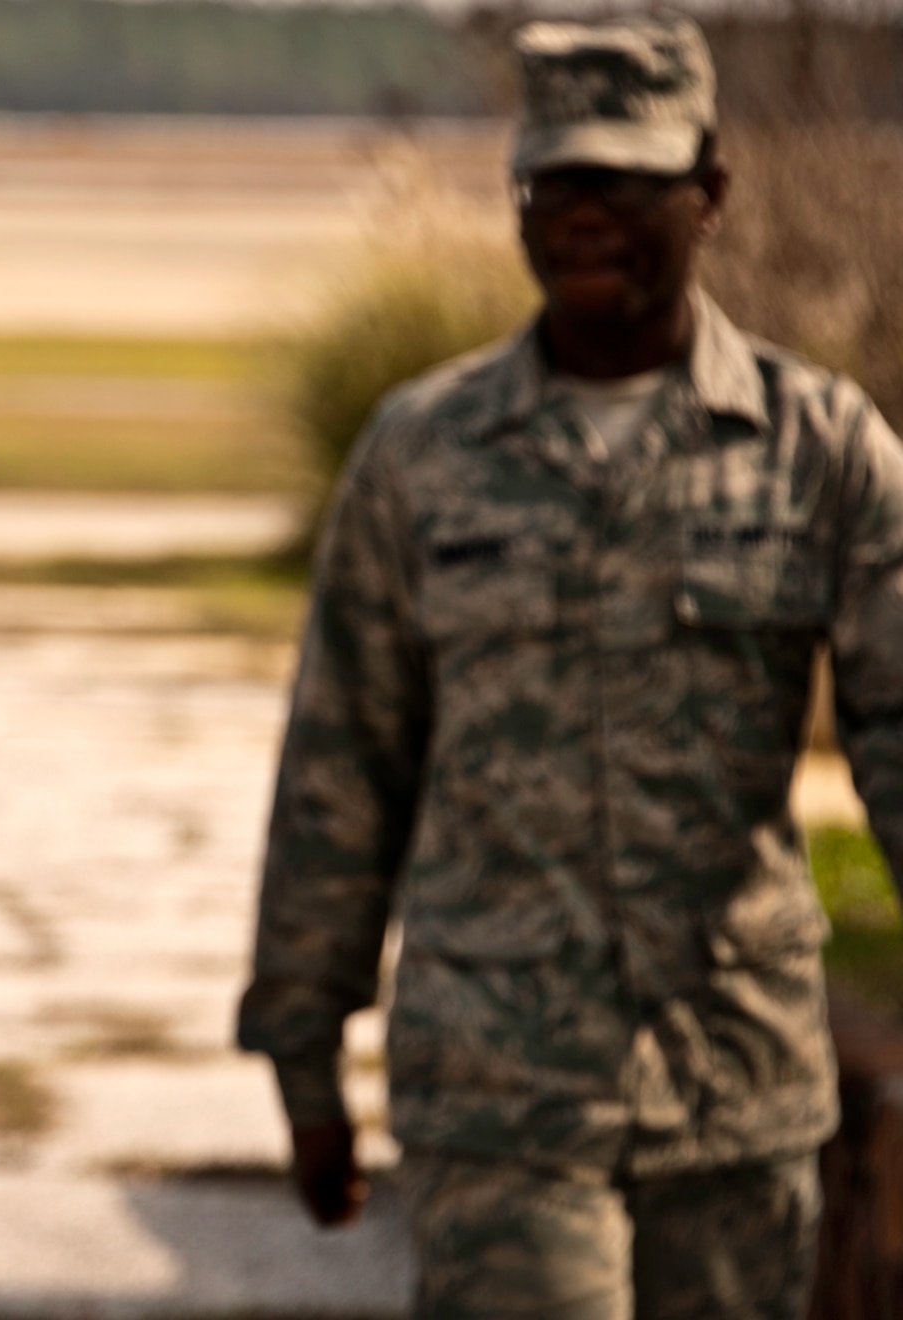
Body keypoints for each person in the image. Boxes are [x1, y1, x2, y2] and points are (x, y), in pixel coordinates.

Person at [237, 13, 903, 1317]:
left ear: (709, 190)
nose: (584, 217)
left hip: (739, 1091)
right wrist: (305, 1052)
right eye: (554, 185)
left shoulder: (822, 450)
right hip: (501, 1094)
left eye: (625, 184)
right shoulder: (422, 455)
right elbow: (342, 769)